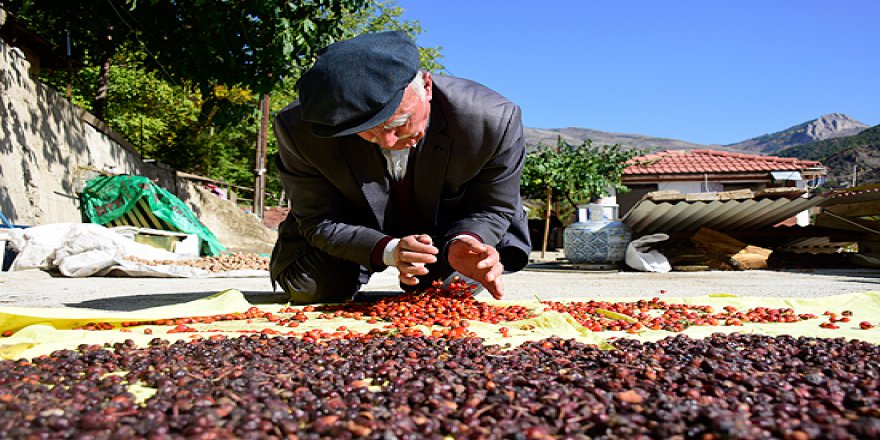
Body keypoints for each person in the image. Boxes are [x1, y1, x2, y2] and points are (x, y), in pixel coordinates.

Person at [271, 31, 531, 305]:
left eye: (399, 123)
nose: (389, 141)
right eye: (368, 132)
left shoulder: (493, 121)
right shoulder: (300, 130)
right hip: (352, 227)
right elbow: (318, 219)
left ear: (427, 87)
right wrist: (390, 249)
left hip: (448, 226)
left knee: (452, 290)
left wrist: (465, 241)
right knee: (313, 287)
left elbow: (493, 206)